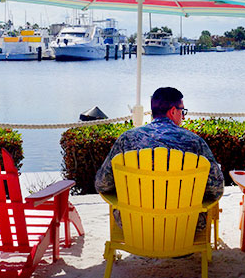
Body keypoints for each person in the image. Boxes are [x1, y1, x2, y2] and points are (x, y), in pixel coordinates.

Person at [95, 87, 224, 229]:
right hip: (185, 225)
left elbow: (103, 183)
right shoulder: (194, 142)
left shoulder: (127, 139)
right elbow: (216, 188)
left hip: (134, 224)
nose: (184, 116)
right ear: (173, 111)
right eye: (183, 111)